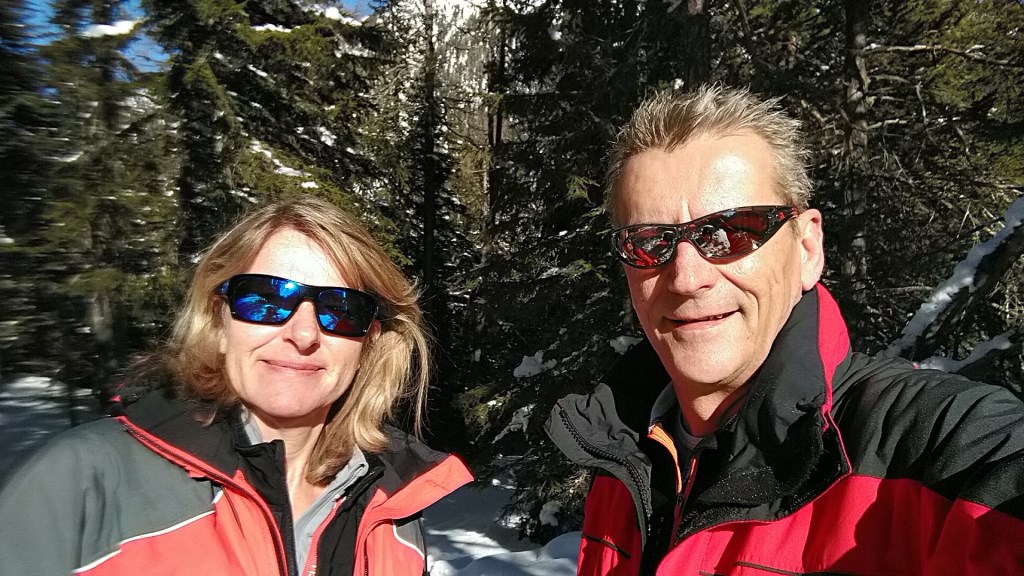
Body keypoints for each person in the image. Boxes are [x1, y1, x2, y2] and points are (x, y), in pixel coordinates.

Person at [545, 85, 1024, 575]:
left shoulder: (925, 445)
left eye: (732, 231)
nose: (686, 278)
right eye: (649, 242)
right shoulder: (622, 451)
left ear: (807, 249)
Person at [0, 196, 473, 575]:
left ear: (369, 341)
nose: (303, 334)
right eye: (265, 299)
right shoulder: (82, 481)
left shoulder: (392, 510)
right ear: (218, 321)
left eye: (340, 309)